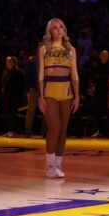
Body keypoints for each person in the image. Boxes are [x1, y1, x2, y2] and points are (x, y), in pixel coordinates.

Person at [38, 19, 80, 178]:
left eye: (61, 26)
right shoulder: (44, 49)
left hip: (67, 92)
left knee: (63, 130)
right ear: (50, 31)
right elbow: (40, 74)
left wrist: (77, 96)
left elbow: (74, 74)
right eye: (55, 27)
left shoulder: (71, 49)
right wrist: (40, 96)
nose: (59, 30)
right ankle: (49, 165)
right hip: (49, 91)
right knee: (54, 128)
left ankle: (57, 165)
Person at [0, 55, 26, 137]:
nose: (7, 63)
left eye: (10, 61)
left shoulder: (18, 73)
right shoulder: (5, 72)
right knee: (9, 114)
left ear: (14, 63)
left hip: (14, 96)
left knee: (12, 114)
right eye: (6, 61)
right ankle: (10, 130)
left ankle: (12, 130)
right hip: (7, 96)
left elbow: (20, 86)